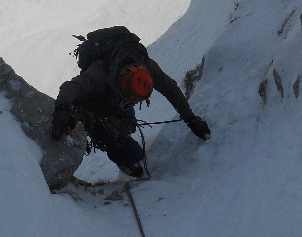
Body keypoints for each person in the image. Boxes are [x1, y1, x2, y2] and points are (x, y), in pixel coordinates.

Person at [50, 27, 211, 177]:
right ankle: (117, 150)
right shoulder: (100, 73)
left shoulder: (146, 67)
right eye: (129, 97)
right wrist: (62, 111)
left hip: (114, 101)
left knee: (129, 125)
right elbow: (70, 88)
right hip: (94, 105)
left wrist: (191, 119)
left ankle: (119, 137)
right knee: (132, 152)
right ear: (122, 85)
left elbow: (171, 90)